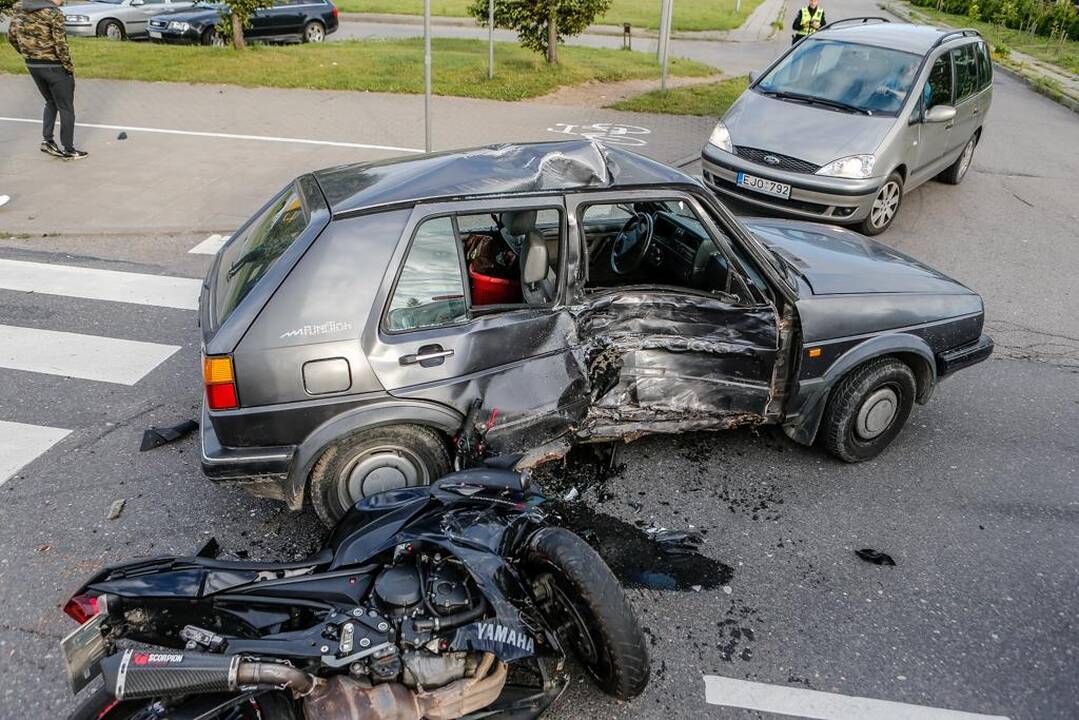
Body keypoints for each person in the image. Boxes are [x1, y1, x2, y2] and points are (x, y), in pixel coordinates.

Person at [7, 0, 88, 160]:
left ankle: (48, 141)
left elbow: (11, 36)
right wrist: (68, 66)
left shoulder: (20, 10)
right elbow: (60, 44)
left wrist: (27, 54)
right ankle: (69, 150)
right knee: (66, 107)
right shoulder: (53, 13)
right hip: (54, 65)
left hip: (32, 64)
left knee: (50, 101)